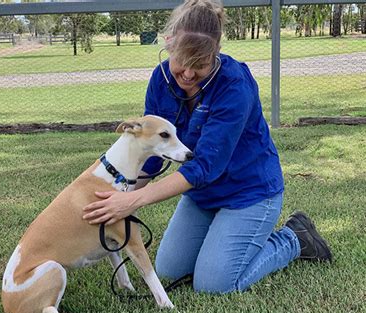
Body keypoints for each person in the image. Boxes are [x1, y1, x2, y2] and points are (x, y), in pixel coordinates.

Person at [83, 0, 332, 293]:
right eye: (182, 63)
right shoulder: (160, 80)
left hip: (248, 192)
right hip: (202, 196)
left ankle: (294, 238)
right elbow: (153, 151)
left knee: (214, 284)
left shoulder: (234, 85)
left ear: (215, 54)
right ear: (169, 44)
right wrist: (121, 196)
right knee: (169, 268)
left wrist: (134, 202)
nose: (188, 75)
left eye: (199, 65)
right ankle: (223, 234)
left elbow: (205, 167)